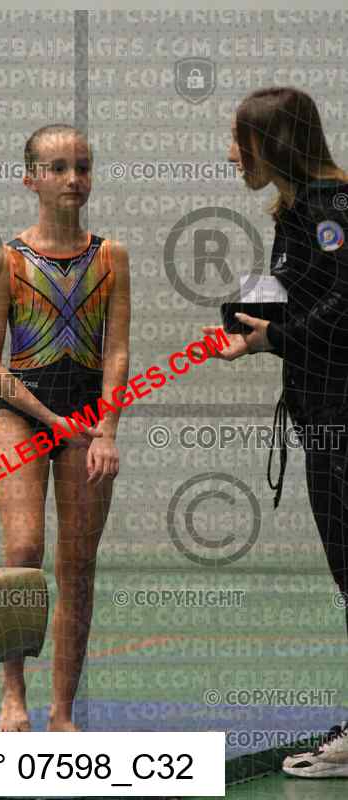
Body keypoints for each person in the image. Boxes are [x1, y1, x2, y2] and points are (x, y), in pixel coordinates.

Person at [202, 86, 348, 778]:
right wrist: (253, 319)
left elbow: (345, 308)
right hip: (319, 418)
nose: (231, 155)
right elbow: (310, 298)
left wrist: (275, 339)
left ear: (272, 143)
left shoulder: (329, 208)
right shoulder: (297, 212)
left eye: (240, 141)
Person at [0, 124, 131, 732]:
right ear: (30, 179)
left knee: (77, 565)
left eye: (82, 167)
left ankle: (62, 711)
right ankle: (12, 691)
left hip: (87, 419)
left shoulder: (111, 257)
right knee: (22, 552)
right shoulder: (6, 262)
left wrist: (107, 428)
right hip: (23, 415)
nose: (73, 179)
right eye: (58, 168)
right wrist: (47, 417)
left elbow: (116, 352)